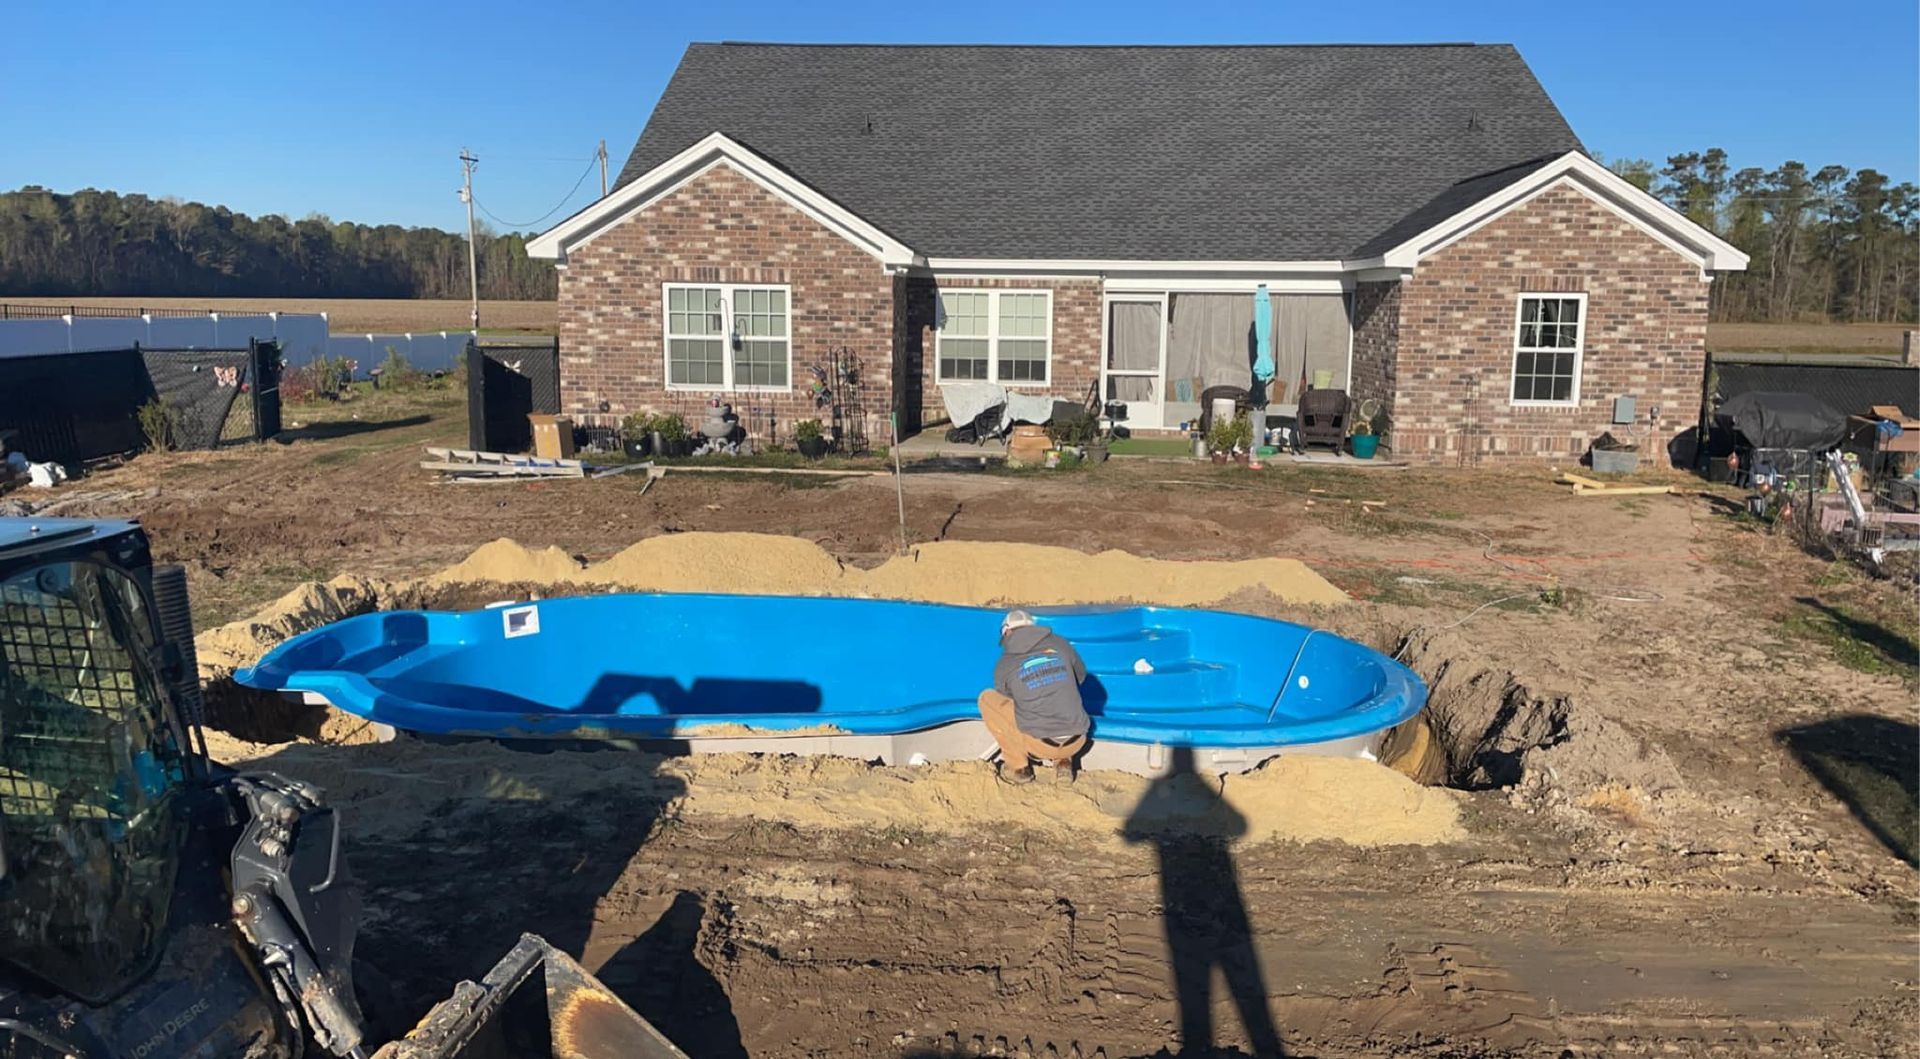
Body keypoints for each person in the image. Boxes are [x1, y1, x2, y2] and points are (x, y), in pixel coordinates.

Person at [977, 610, 1089, 784]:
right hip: (1077, 739)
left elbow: (1008, 697)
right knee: (1062, 696)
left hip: (1039, 745)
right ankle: (1064, 762)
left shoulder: (1005, 663)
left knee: (987, 699)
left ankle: (1019, 768)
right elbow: (1080, 676)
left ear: (1007, 632)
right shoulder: (1060, 643)